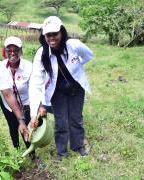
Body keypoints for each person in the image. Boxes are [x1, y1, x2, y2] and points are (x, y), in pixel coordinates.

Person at [29, 16, 94, 161]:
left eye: (55, 34)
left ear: (62, 32)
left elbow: (89, 55)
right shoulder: (41, 54)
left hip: (76, 87)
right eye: (48, 35)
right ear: (44, 35)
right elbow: (35, 83)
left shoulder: (73, 45)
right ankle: (61, 152)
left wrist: (76, 66)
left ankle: (78, 146)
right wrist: (34, 113)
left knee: (76, 118)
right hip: (57, 90)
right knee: (61, 121)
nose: (52, 38)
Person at [0, 36, 33, 151]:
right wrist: (19, 120)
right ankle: (17, 152)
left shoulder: (29, 66)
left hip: (25, 103)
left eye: (16, 50)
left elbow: (35, 88)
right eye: (9, 50)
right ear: (4, 51)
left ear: (21, 51)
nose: (12, 53)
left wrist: (22, 119)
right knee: (13, 126)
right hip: (7, 104)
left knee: (26, 127)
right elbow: (7, 94)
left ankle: (32, 154)